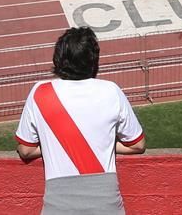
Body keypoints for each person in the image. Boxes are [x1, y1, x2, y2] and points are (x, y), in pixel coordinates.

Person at [15, 27, 145, 214]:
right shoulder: (111, 91)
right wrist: (102, 143)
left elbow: (26, 150)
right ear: (93, 61)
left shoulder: (40, 92)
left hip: (58, 205)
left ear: (58, 59)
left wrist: (57, 145)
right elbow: (137, 145)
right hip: (105, 204)